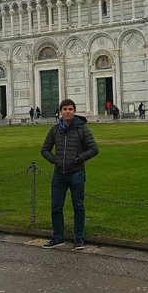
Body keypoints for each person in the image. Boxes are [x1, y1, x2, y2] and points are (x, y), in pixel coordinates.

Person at [41, 99, 99, 250]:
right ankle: (58, 237)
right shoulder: (55, 130)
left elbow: (94, 149)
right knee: (56, 207)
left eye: (70, 109)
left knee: (78, 206)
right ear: (60, 111)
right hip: (59, 174)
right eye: (65, 109)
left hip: (77, 173)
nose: (67, 111)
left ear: (74, 111)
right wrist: (56, 161)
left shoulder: (82, 128)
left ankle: (79, 239)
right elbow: (44, 150)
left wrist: (78, 159)